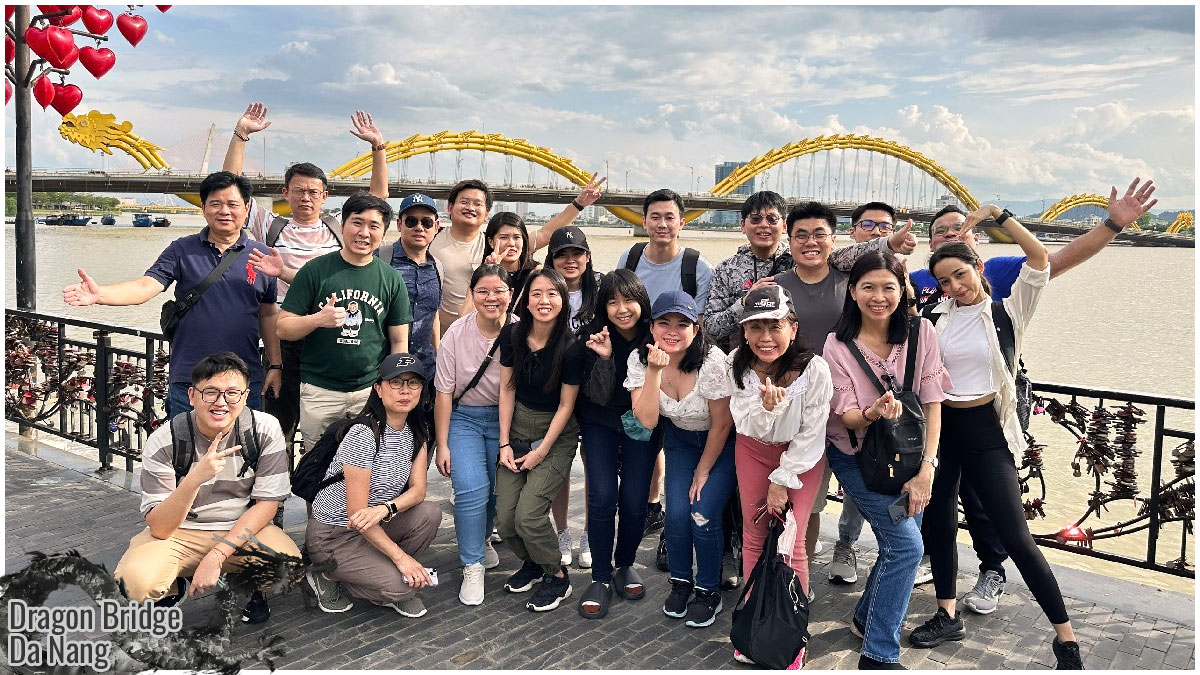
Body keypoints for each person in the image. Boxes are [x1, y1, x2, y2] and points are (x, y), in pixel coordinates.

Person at [908, 178, 1158, 615]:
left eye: (958, 228)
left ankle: (992, 571)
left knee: (987, 499)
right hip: (939, 414)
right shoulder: (920, 283)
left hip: (991, 405)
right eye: (940, 232)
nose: (950, 235)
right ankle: (939, 577)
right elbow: (877, 302)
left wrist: (1111, 226)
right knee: (939, 504)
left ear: (973, 242)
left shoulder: (999, 272)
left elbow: (1053, 260)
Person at [912, 205, 1084, 669]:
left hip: (989, 432)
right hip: (942, 429)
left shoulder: (1009, 310)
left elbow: (1040, 258)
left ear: (978, 267)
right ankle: (946, 613)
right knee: (940, 523)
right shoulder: (934, 314)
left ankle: (1065, 639)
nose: (954, 287)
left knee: (1016, 534)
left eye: (960, 275)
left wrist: (997, 216)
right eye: (945, 281)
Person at [224, 103, 389, 451]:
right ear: (285, 194)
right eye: (298, 190)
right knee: (277, 424)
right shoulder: (270, 226)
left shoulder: (338, 230)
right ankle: (274, 499)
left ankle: (329, 496)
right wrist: (240, 136)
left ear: (325, 196)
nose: (305, 198)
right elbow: (232, 189)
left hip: (328, 336)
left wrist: (378, 148)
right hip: (284, 337)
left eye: (314, 192)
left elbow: (377, 202)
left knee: (330, 430)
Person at [822, 251, 951, 669]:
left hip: (911, 455)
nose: (879, 297)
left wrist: (927, 468)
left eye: (889, 287)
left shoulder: (922, 332)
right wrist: (874, 412)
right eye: (869, 287)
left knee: (901, 548)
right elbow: (846, 417)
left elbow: (933, 402)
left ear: (904, 291)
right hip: (858, 456)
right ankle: (879, 653)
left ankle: (865, 618)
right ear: (853, 292)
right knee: (907, 547)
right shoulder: (837, 343)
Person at [62, 172, 280, 419]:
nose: (224, 211)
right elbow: (145, 287)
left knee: (242, 452)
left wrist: (275, 365)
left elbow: (268, 314)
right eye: (216, 204)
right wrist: (101, 294)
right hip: (190, 378)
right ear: (203, 208)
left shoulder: (261, 255)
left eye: (232, 204)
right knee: (186, 453)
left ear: (246, 208)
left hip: (242, 380)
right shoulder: (182, 249)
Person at [113, 352, 297, 623]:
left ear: (246, 397)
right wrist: (194, 478)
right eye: (210, 392)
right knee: (133, 584)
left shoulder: (264, 430)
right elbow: (160, 527)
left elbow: (267, 506)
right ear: (191, 395)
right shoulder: (166, 439)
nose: (221, 402)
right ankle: (174, 586)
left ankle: (243, 582)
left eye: (232, 393)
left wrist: (218, 554)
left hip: (240, 529)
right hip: (178, 533)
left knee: (288, 567)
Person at [726, 284, 832, 668]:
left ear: (793, 326)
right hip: (752, 450)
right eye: (755, 328)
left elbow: (812, 431)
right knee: (754, 538)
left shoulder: (815, 370)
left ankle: (792, 631)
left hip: (801, 459)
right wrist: (768, 410)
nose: (765, 338)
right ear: (744, 331)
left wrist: (782, 480)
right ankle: (757, 620)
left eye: (775, 326)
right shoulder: (737, 363)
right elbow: (744, 422)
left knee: (791, 541)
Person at [626, 290, 736, 629]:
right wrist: (655, 372)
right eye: (664, 323)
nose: (672, 331)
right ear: (652, 327)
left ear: (696, 328)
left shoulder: (714, 363)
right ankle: (681, 581)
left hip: (721, 443)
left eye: (682, 324)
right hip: (679, 442)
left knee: (701, 513)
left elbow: (721, 425)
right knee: (675, 514)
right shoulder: (641, 360)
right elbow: (645, 421)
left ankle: (707, 588)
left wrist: (702, 472)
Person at [304, 354, 442, 618]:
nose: (405, 390)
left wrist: (386, 509)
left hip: (375, 523)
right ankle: (327, 574)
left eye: (413, 383)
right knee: (402, 588)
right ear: (378, 389)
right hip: (335, 535)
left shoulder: (418, 431)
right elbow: (358, 517)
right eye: (395, 382)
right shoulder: (364, 434)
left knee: (429, 513)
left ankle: (378, 570)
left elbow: (418, 492)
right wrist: (402, 559)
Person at [276, 193, 412, 455]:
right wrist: (318, 319)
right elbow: (283, 327)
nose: (364, 233)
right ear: (342, 225)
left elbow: (399, 341)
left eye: (374, 226)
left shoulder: (391, 279)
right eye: (357, 223)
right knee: (319, 466)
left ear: (384, 233)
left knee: (368, 464)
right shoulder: (314, 271)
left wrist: (393, 387)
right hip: (319, 390)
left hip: (369, 390)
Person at [617, 188, 717, 544]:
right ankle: (649, 506)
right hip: (636, 360)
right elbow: (617, 305)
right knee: (643, 439)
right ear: (643, 221)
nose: (661, 224)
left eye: (669, 217)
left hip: (681, 363)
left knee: (669, 436)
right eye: (654, 217)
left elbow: (698, 324)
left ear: (682, 222)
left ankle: (664, 526)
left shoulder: (697, 267)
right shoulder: (629, 257)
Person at [704, 193, 913, 349]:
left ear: (784, 226)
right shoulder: (727, 270)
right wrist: (744, 303)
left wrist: (889, 244)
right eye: (756, 219)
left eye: (772, 219)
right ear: (743, 225)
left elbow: (848, 253)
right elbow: (712, 329)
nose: (764, 226)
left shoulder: (814, 257)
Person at [495, 269, 585, 612]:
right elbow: (507, 389)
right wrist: (504, 442)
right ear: (526, 299)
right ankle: (532, 562)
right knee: (505, 519)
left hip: (555, 436)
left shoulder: (572, 348)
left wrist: (541, 451)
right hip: (516, 429)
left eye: (552, 294)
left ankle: (557, 576)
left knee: (529, 517)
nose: (543, 301)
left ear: (563, 301)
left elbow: (566, 406)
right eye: (536, 294)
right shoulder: (512, 334)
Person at [574, 270, 658, 619]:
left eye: (629, 300)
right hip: (600, 423)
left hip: (643, 424)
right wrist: (606, 359)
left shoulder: (656, 335)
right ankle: (600, 578)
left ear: (642, 301)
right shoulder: (591, 337)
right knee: (603, 497)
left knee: (636, 502)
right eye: (613, 301)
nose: (622, 309)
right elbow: (594, 395)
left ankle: (625, 564)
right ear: (602, 306)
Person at [433, 174, 606, 336]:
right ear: (450, 207)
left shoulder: (500, 246)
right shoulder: (431, 237)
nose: (470, 208)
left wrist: (578, 204)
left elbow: (546, 233)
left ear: (486, 213)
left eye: (478, 204)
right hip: (447, 337)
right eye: (464, 202)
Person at [432, 264, 513, 606]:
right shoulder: (456, 334)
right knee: (469, 488)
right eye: (483, 291)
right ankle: (472, 565)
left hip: (506, 420)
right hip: (465, 418)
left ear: (510, 294)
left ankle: (481, 540)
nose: (491, 298)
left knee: (497, 489)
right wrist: (442, 443)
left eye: (499, 291)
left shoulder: (520, 331)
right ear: (472, 294)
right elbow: (443, 394)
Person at [545, 224, 602, 566]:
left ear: (587, 257)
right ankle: (562, 531)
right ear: (551, 260)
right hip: (556, 391)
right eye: (561, 255)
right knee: (560, 466)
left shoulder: (602, 288)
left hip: (596, 392)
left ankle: (590, 534)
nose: (570, 260)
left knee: (595, 466)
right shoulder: (543, 290)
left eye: (576, 253)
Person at [382, 193, 443, 380]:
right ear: (399, 224)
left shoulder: (438, 268)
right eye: (411, 222)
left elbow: (433, 316)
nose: (419, 228)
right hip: (384, 367)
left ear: (436, 227)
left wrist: (439, 357)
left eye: (426, 222)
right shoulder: (381, 260)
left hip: (425, 368)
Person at [458, 211, 540, 316]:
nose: (511, 243)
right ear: (491, 242)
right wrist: (487, 271)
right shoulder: (482, 274)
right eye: (504, 237)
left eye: (516, 237)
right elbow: (465, 315)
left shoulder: (536, 274)